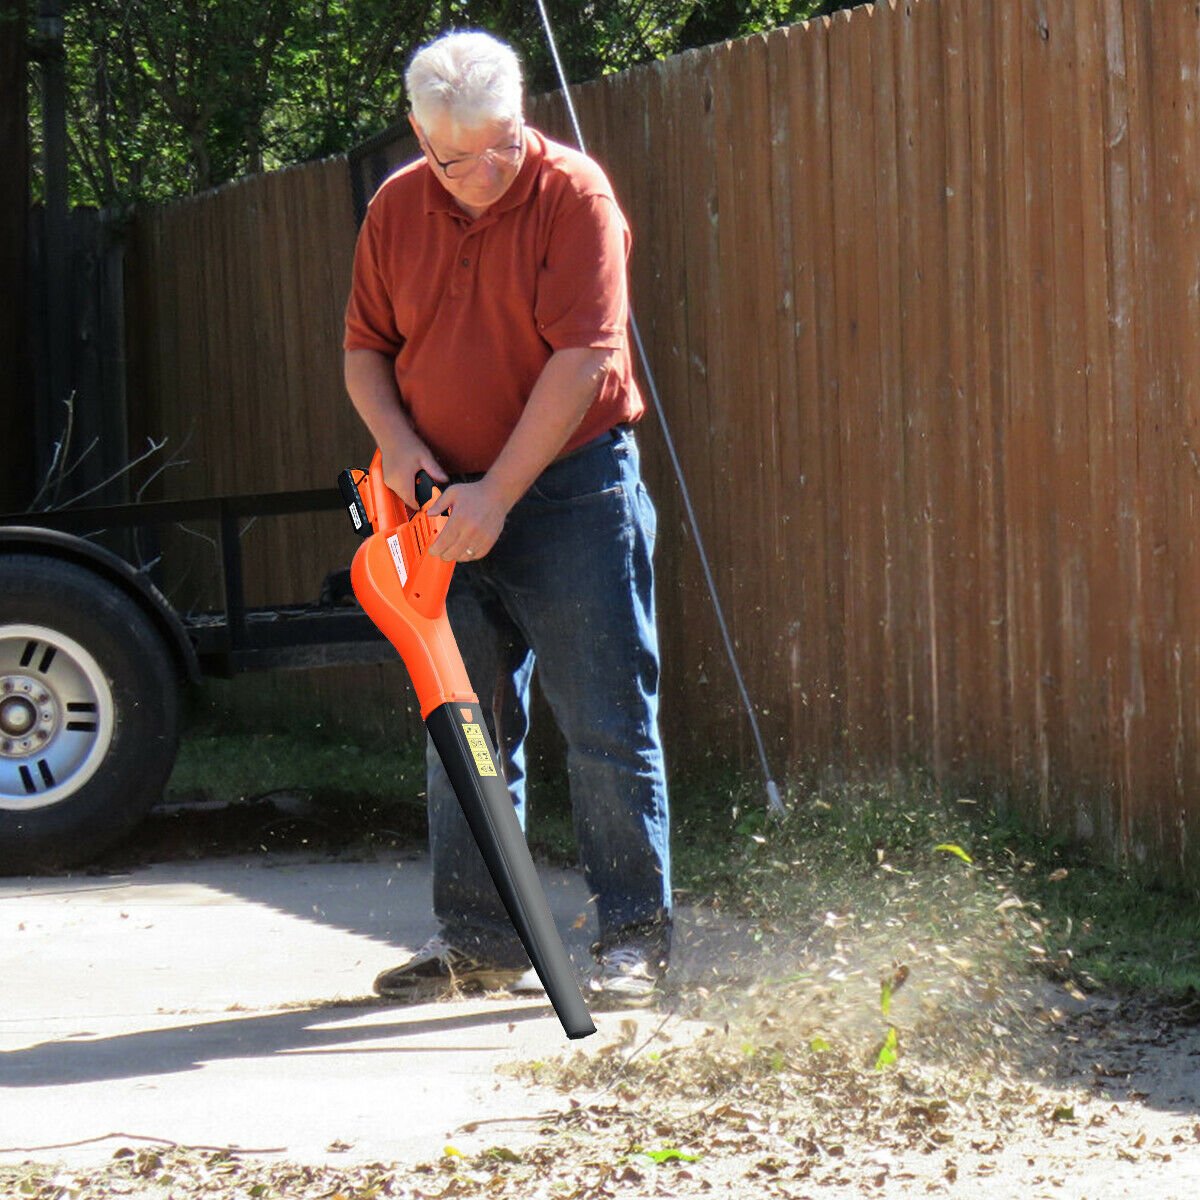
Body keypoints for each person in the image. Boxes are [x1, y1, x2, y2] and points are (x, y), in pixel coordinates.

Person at [343, 29, 671, 1007]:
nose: (483, 171)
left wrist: (499, 494)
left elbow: (584, 362)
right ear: (417, 134)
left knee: (606, 719)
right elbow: (366, 348)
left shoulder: (575, 197)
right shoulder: (396, 209)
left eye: (501, 143)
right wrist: (398, 446)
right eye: (455, 157)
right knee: (464, 725)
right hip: (438, 497)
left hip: (570, 490)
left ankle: (635, 941)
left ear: (521, 111)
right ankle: (482, 944)